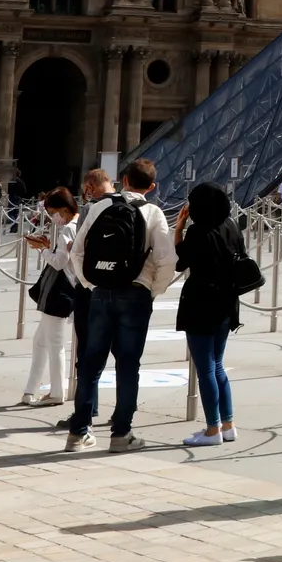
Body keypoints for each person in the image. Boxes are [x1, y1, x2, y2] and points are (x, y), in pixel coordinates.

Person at [66, 161, 178, 452]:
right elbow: (168, 261)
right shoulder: (153, 212)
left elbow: (77, 250)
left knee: (91, 364)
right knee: (128, 366)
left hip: (101, 292)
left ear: (123, 180)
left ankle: (78, 432)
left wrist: (91, 284)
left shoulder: (101, 207)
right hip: (136, 293)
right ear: (151, 187)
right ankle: (121, 434)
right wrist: (151, 290)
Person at [173, 181, 247, 449]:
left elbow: (180, 259)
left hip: (200, 304)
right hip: (226, 304)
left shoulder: (197, 231)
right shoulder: (231, 226)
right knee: (217, 365)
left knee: (205, 369)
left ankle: (212, 428)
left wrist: (179, 228)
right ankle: (228, 425)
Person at [19, 188, 79, 407]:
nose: (53, 217)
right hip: (64, 292)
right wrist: (46, 246)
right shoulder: (76, 225)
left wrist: (41, 250)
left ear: (63, 209)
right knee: (41, 342)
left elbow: (59, 263)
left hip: (59, 294)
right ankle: (29, 390)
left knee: (54, 344)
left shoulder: (67, 231)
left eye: (53, 212)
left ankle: (56, 392)